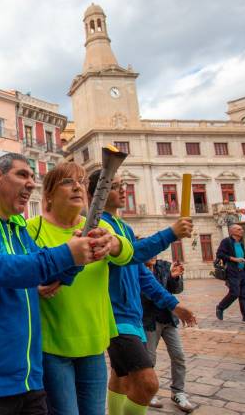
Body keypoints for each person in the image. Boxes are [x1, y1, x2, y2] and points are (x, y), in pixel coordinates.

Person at [0, 154, 113, 415]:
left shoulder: (18, 229)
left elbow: (48, 274)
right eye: (22, 175)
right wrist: (68, 253)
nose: (31, 183)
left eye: (33, 177)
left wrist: (85, 249)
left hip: (28, 377)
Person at [26, 162, 135, 414]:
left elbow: (127, 254)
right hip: (52, 344)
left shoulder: (98, 228)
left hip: (94, 342)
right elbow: (20, 274)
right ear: (49, 195)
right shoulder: (32, 229)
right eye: (67, 181)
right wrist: (34, 287)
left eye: (82, 182)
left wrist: (115, 244)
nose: (77, 187)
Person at [88, 171, 197, 415]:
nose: (123, 189)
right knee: (148, 384)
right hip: (115, 317)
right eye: (116, 186)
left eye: (122, 184)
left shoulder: (124, 227)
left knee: (121, 378)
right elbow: (133, 254)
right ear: (100, 194)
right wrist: (171, 233)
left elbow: (141, 274)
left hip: (132, 315)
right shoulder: (99, 225)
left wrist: (172, 304)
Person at [142, 257, 196, 412]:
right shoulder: (138, 268)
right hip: (150, 319)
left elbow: (176, 289)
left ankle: (178, 391)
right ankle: (148, 392)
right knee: (149, 358)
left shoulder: (164, 267)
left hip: (168, 318)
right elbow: (149, 293)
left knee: (178, 355)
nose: (152, 256)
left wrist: (175, 277)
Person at [215, 224, 245, 323]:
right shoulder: (226, 241)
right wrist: (234, 259)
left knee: (244, 294)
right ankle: (220, 307)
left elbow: (240, 257)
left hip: (242, 272)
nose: (242, 230)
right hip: (232, 271)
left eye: (242, 229)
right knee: (234, 293)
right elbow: (220, 254)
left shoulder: (241, 243)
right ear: (232, 231)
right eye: (239, 229)